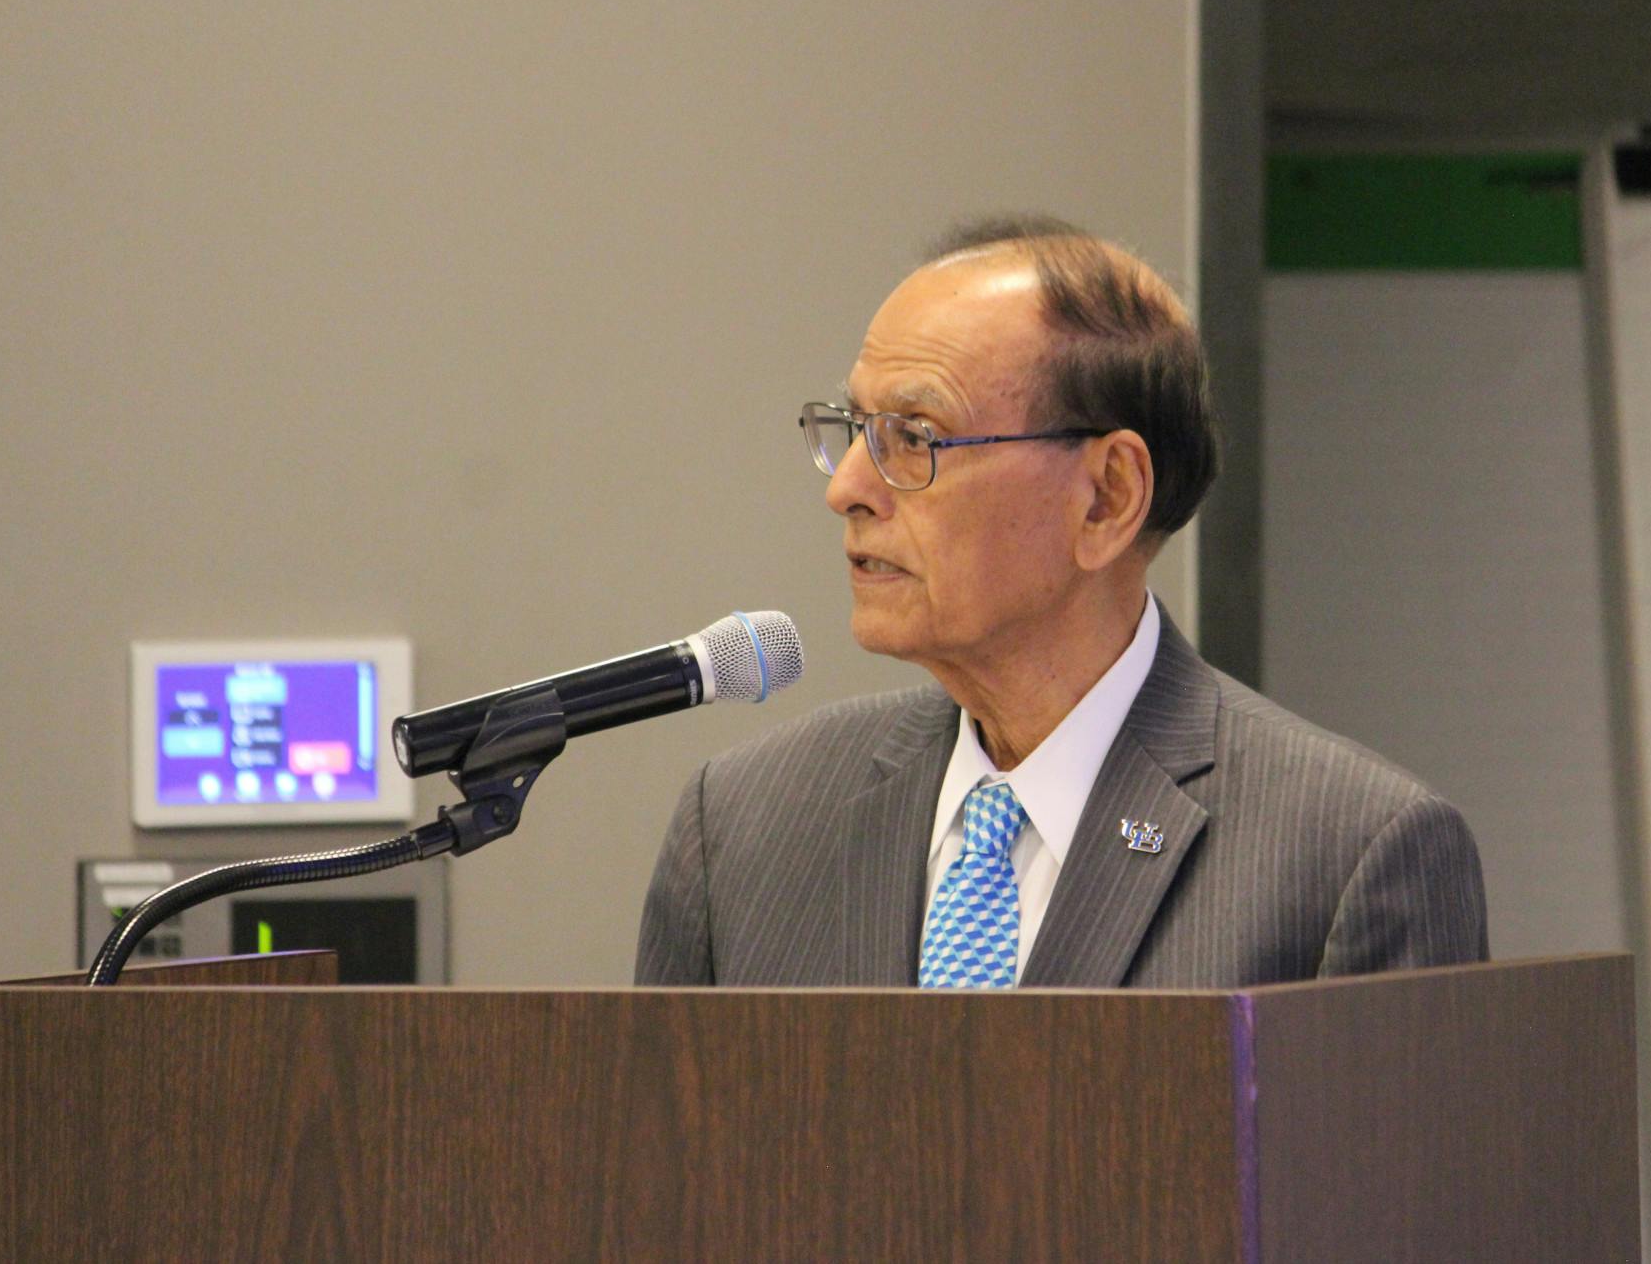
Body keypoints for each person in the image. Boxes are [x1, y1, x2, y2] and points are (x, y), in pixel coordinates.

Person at [635, 215, 1487, 988]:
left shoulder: (1348, 857)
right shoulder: (746, 828)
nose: (850, 488)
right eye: (854, 429)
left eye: (916, 437)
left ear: (1107, 498)